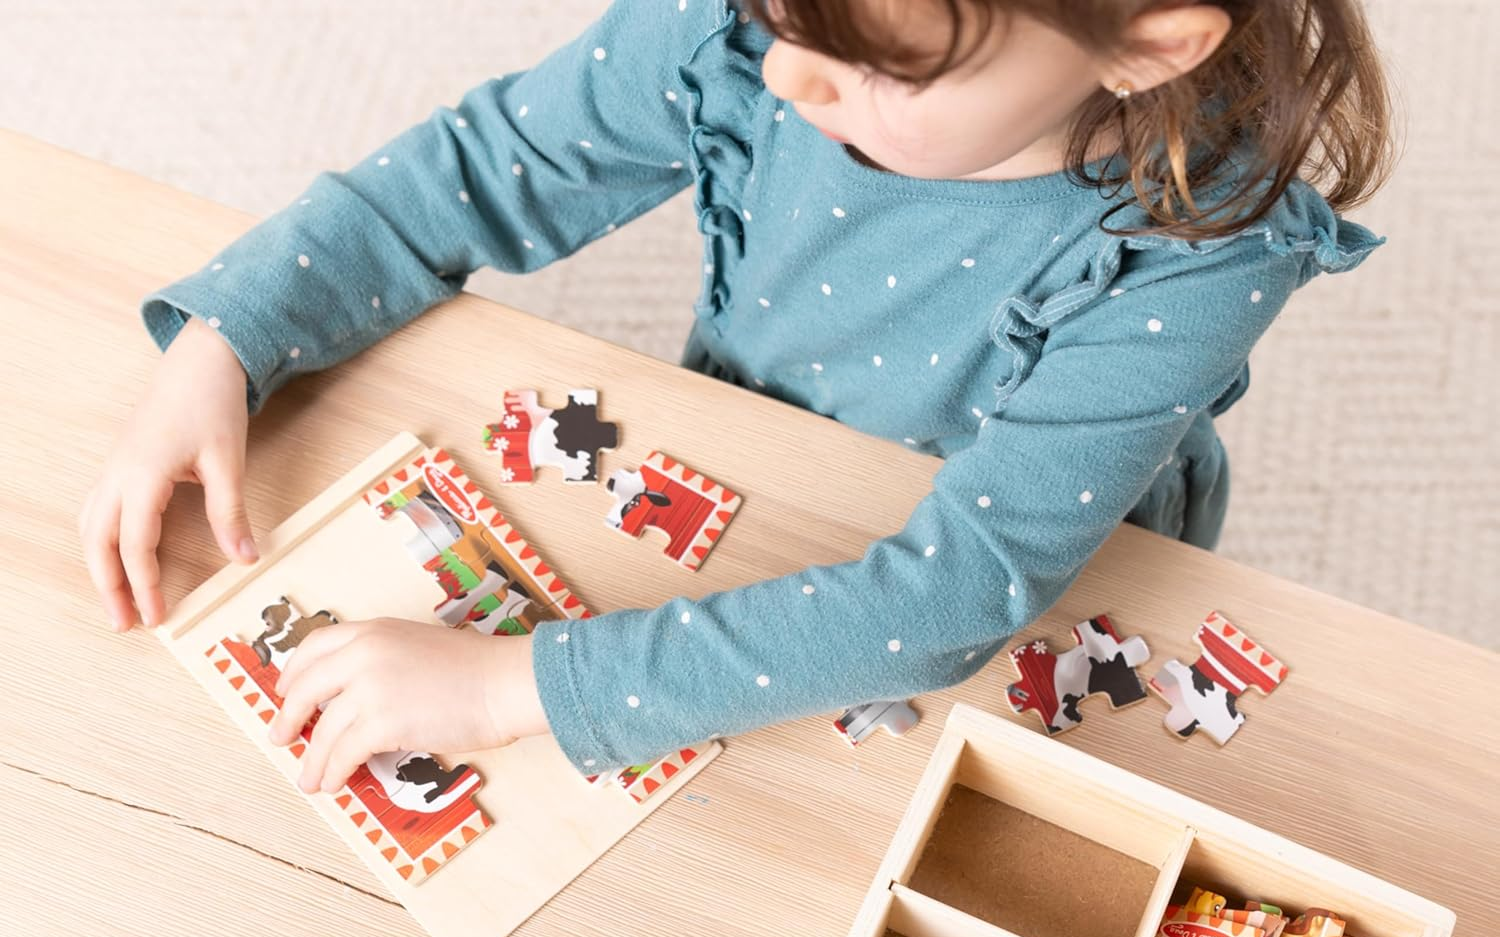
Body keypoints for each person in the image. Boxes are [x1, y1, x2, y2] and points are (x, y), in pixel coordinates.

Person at [81, 0, 1392, 790]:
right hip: (753, 448)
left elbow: (949, 597)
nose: (782, 76)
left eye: (881, 62)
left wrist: (500, 695)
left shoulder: (1200, 253)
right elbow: (480, 168)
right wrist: (229, 336)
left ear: (1149, 43)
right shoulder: (753, 27)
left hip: (1037, 581)